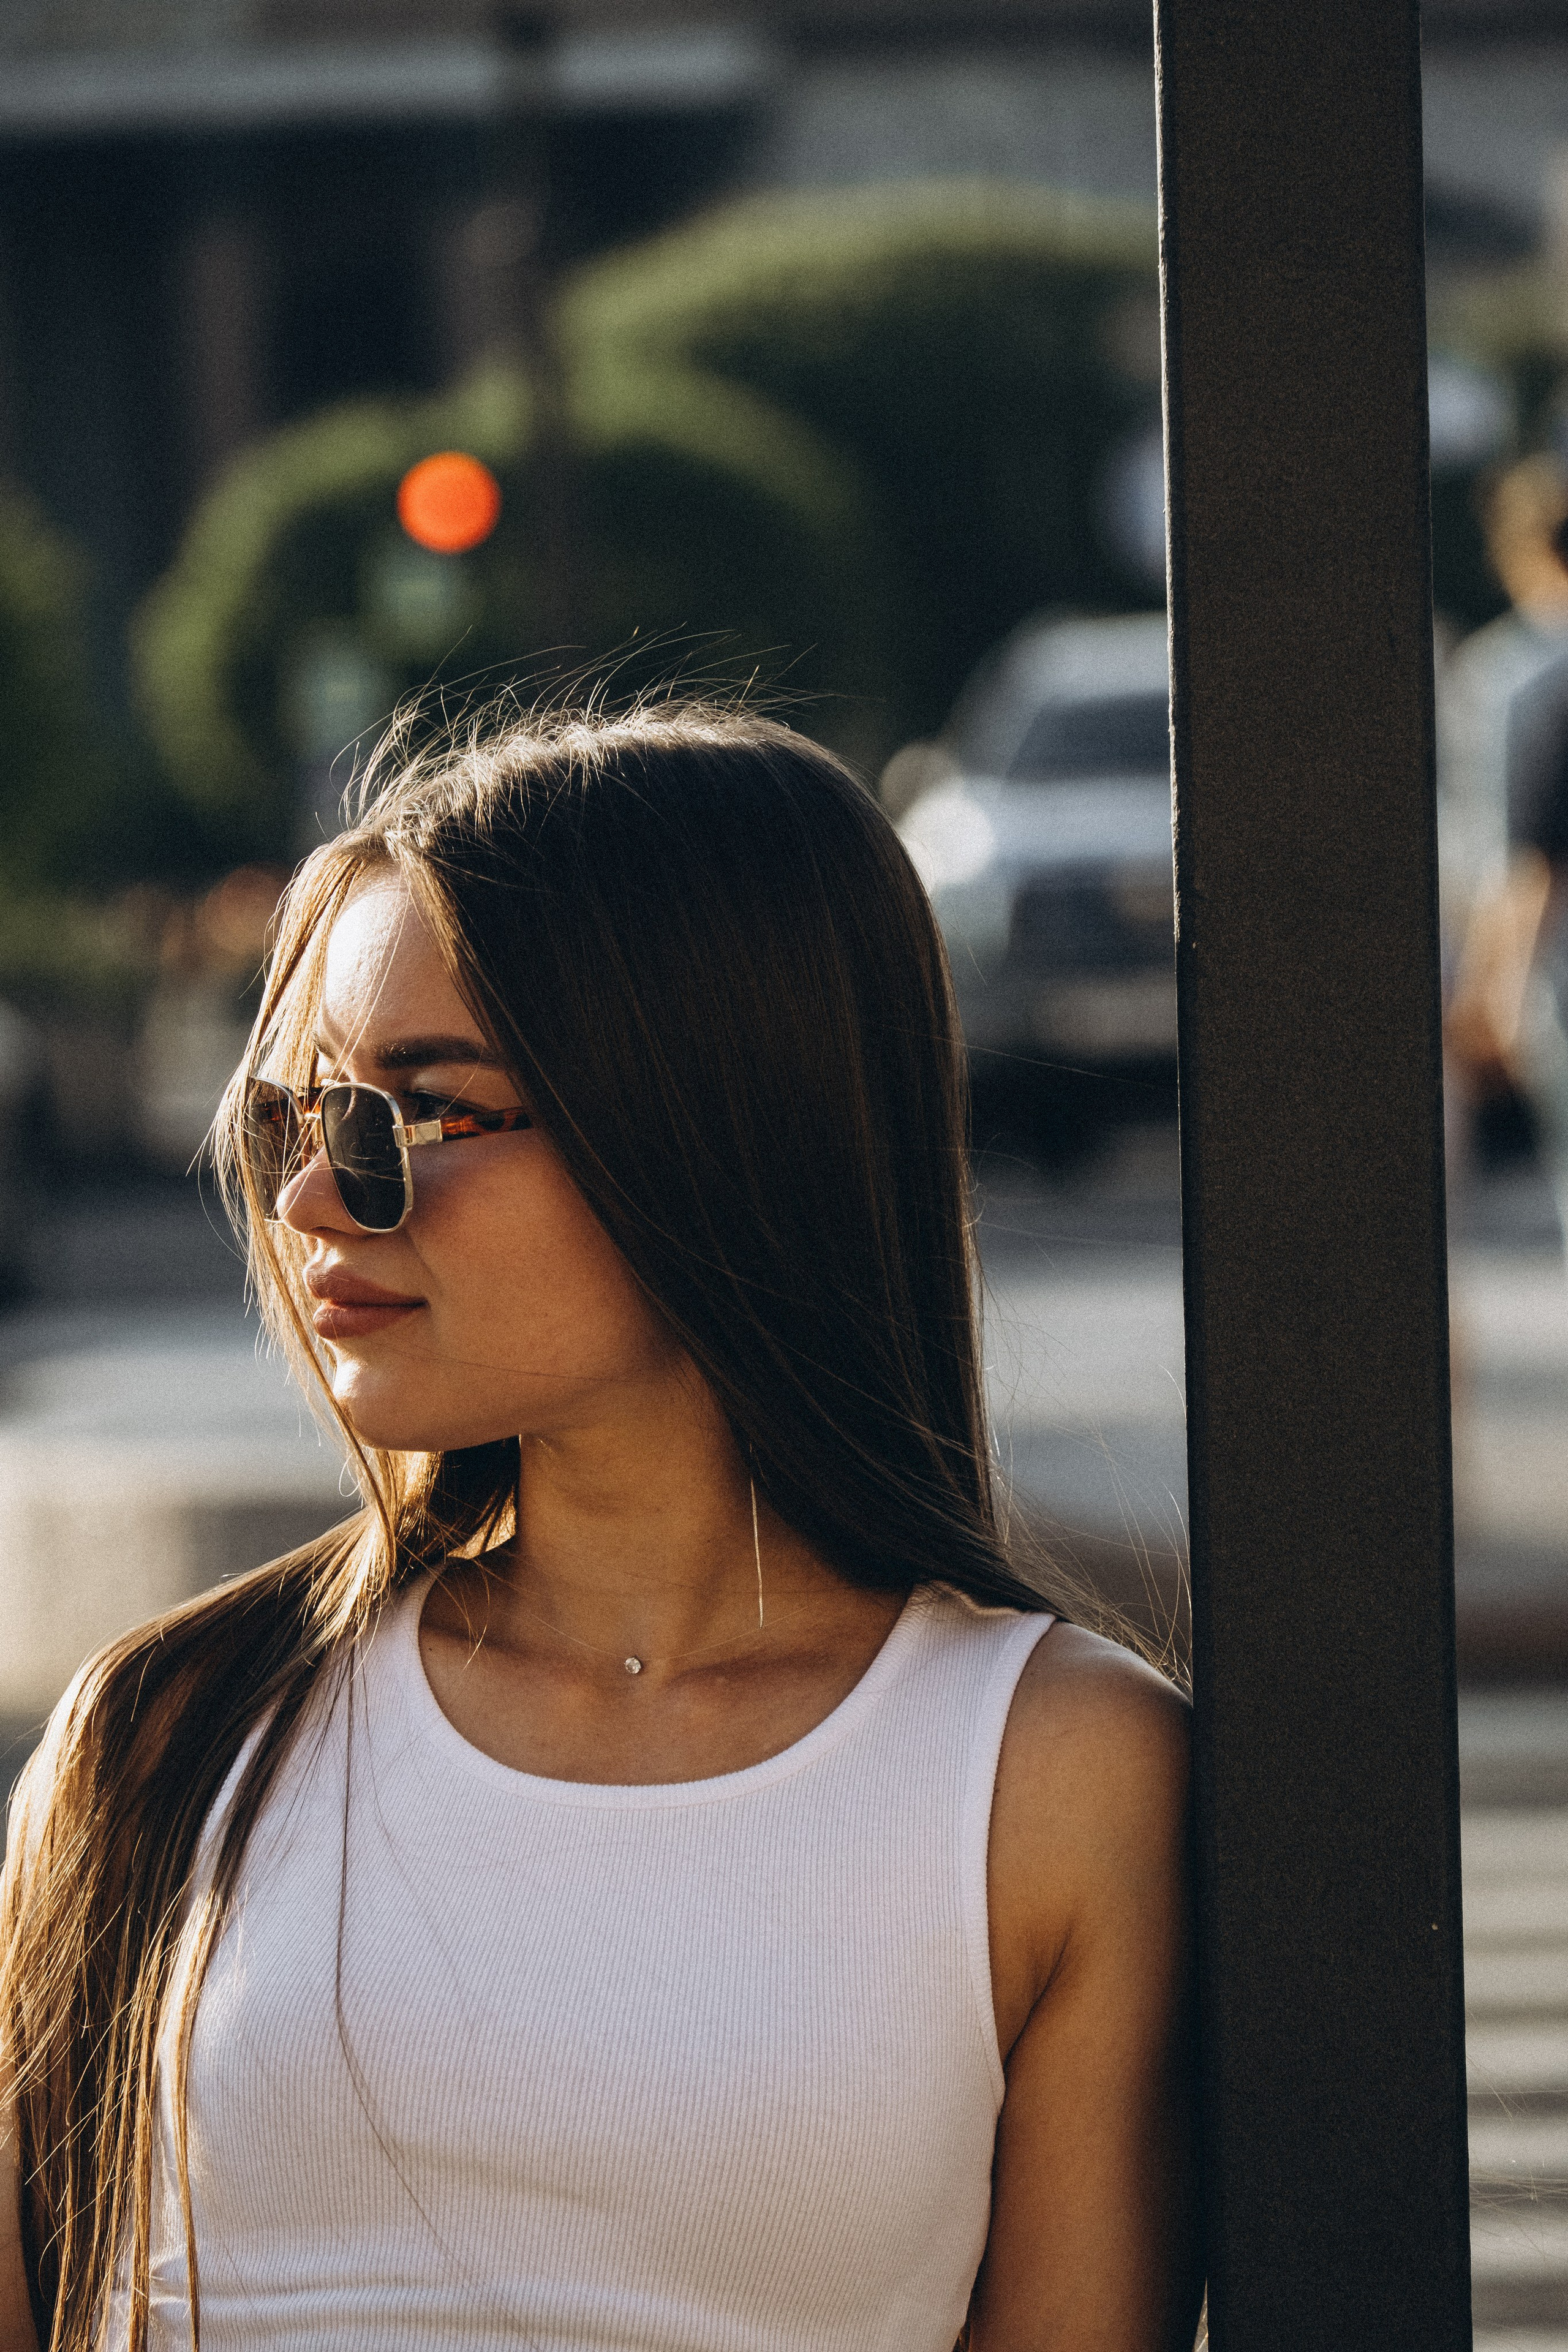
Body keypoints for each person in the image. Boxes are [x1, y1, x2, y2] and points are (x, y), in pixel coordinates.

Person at [1, 703, 1198, 2352]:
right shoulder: (166, 1732)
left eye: (413, 1117)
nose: (306, 1203)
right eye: (297, 1116)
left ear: (710, 1130)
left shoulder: (1056, 1777)